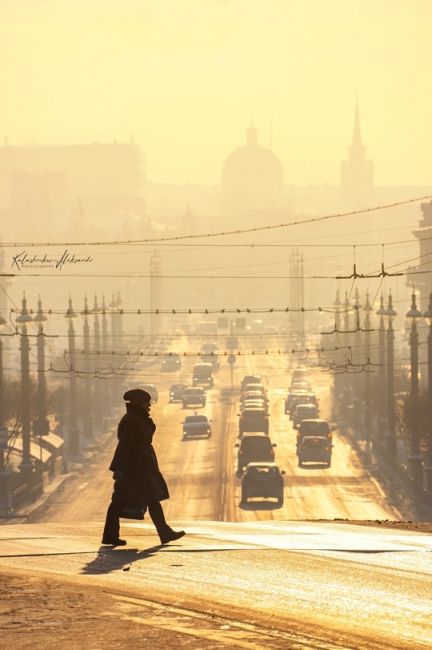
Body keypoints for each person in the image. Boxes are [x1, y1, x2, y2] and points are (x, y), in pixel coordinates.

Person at [102, 388, 185, 546]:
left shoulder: (136, 418)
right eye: (147, 402)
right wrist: (119, 468)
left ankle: (163, 532)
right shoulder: (132, 421)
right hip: (135, 468)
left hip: (141, 467)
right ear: (139, 403)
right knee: (122, 501)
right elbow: (125, 445)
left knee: (147, 499)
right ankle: (111, 535)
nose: (149, 405)